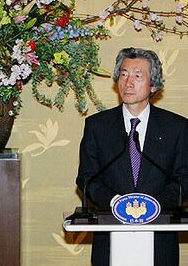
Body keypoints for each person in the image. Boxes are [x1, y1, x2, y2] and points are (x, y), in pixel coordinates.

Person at [76, 47, 188, 266]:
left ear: (153, 85)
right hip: (110, 236)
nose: (128, 82)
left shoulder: (177, 127)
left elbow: (184, 179)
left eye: (138, 76)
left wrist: (150, 205)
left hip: (160, 241)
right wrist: (117, 202)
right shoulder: (97, 126)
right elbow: (87, 178)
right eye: (124, 74)